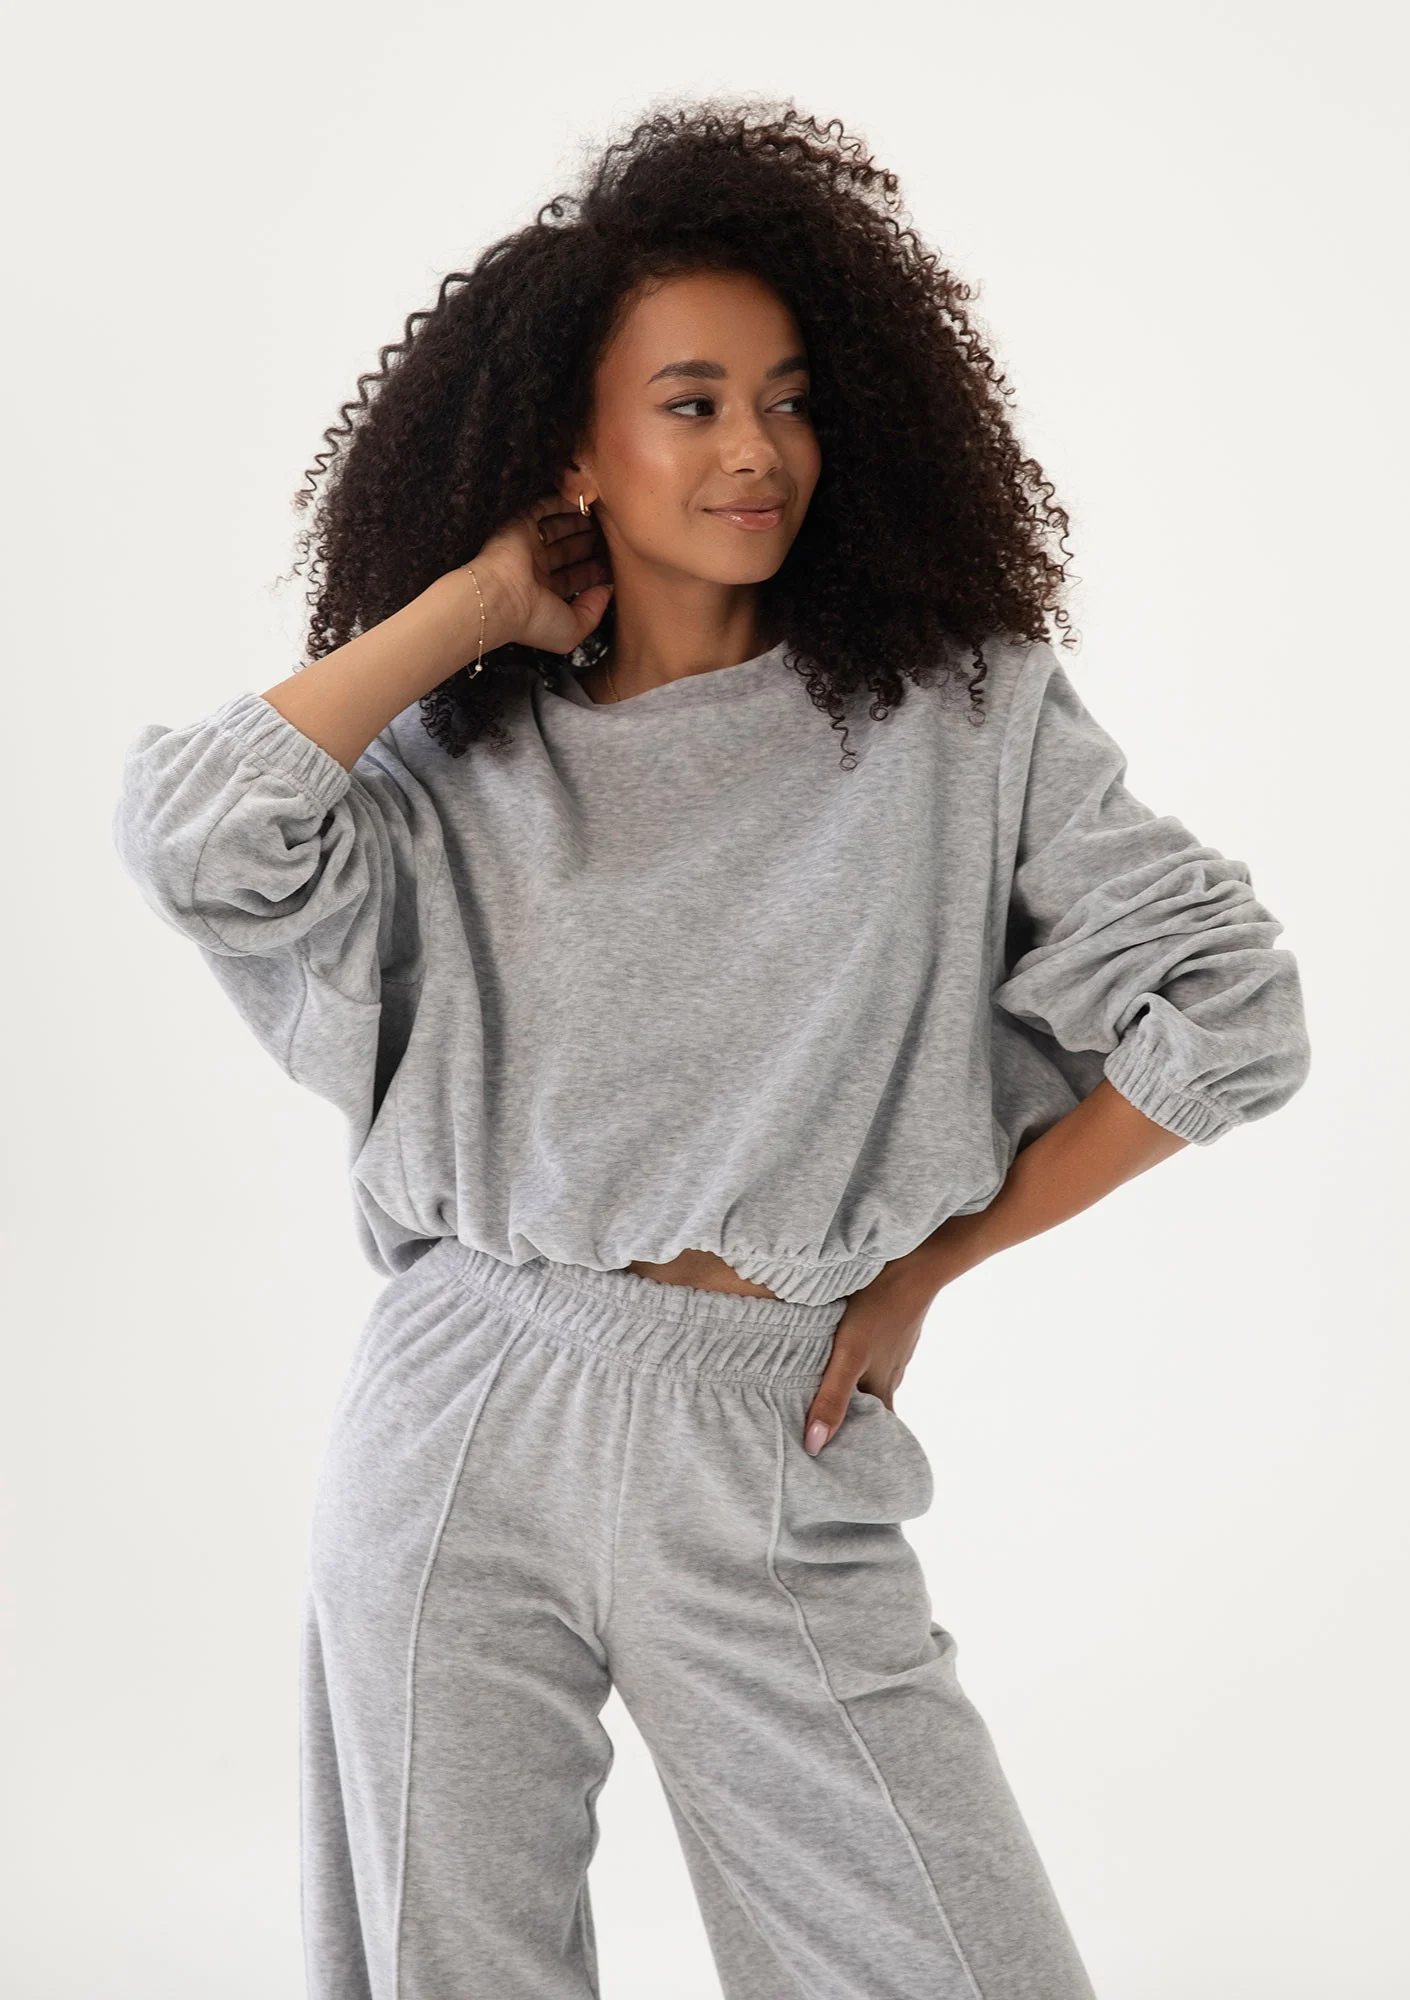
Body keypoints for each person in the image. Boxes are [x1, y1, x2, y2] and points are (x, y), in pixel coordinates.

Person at [111, 100, 1311, 2000]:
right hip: (462, 1405)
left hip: (766, 1425)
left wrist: (929, 1266)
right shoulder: (457, 754)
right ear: (571, 446)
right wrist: (470, 606)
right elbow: (196, 839)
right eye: (689, 403)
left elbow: (1229, 1010)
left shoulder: (960, 716)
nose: (755, 448)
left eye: (790, 399)